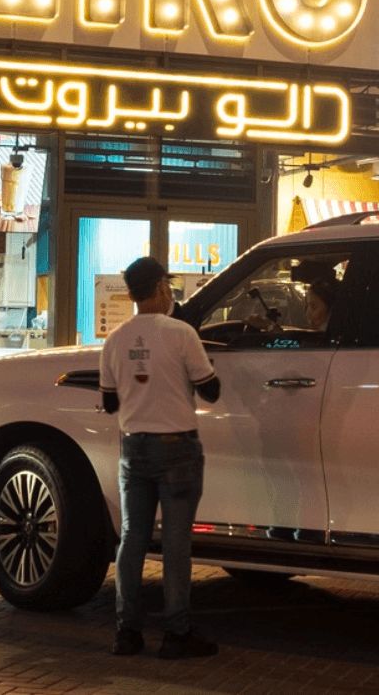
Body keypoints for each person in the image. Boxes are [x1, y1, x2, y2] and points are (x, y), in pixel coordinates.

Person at [98, 256, 221, 660]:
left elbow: (110, 401)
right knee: (175, 542)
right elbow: (211, 390)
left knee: (132, 538)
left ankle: (126, 632)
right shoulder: (182, 333)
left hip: (133, 448)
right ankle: (176, 633)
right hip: (178, 449)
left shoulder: (115, 339)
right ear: (161, 289)